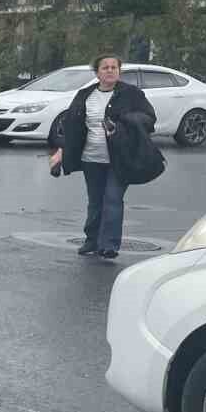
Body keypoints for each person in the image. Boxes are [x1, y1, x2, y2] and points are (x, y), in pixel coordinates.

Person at [48, 54, 156, 260]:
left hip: (120, 158)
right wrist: (61, 152)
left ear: (119, 71)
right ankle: (92, 240)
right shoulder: (84, 95)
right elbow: (71, 127)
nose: (110, 70)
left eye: (114, 67)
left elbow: (149, 119)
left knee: (113, 199)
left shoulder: (132, 94)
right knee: (96, 201)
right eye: (105, 67)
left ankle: (109, 245)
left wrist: (123, 122)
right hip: (92, 158)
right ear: (97, 73)